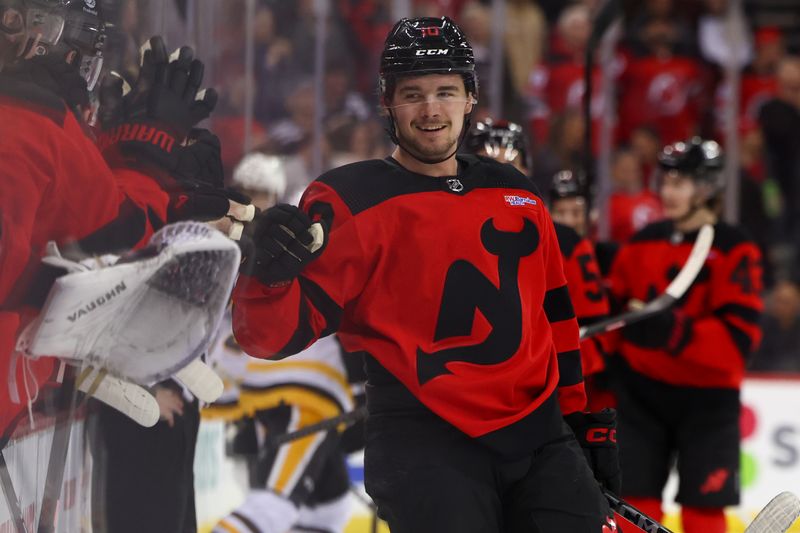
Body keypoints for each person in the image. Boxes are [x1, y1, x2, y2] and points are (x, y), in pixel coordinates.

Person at [233, 17, 619, 533]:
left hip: (540, 437)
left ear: (470, 98)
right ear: (387, 103)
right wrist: (267, 276)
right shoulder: (349, 200)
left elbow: (555, 319)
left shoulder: (519, 194)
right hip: (425, 440)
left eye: (446, 91)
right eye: (412, 94)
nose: (431, 109)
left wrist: (578, 422)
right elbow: (268, 337)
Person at [608, 137, 763, 533]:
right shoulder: (643, 242)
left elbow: (737, 345)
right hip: (642, 396)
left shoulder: (735, 248)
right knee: (633, 510)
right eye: (666, 182)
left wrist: (673, 332)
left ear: (707, 188)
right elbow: (610, 317)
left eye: (679, 183)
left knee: (704, 512)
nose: (667, 192)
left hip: (708, 404)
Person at [205, 153, 354, 533]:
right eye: (248, 193)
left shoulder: (299, 235)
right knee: (325, 508)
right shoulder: (221, 234)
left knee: (273, 505)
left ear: (277, 194)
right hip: (262, 392)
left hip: (303, 389)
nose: (255, 203)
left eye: (262, 194)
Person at [466, 119, 612, 410]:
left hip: (539, 393)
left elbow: (596, 331)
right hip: (469, 389)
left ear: (527, 170)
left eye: (511, 164)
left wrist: (558, 378)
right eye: (488, 163)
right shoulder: (447, 234)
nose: (499, 174)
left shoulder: (563, 240)